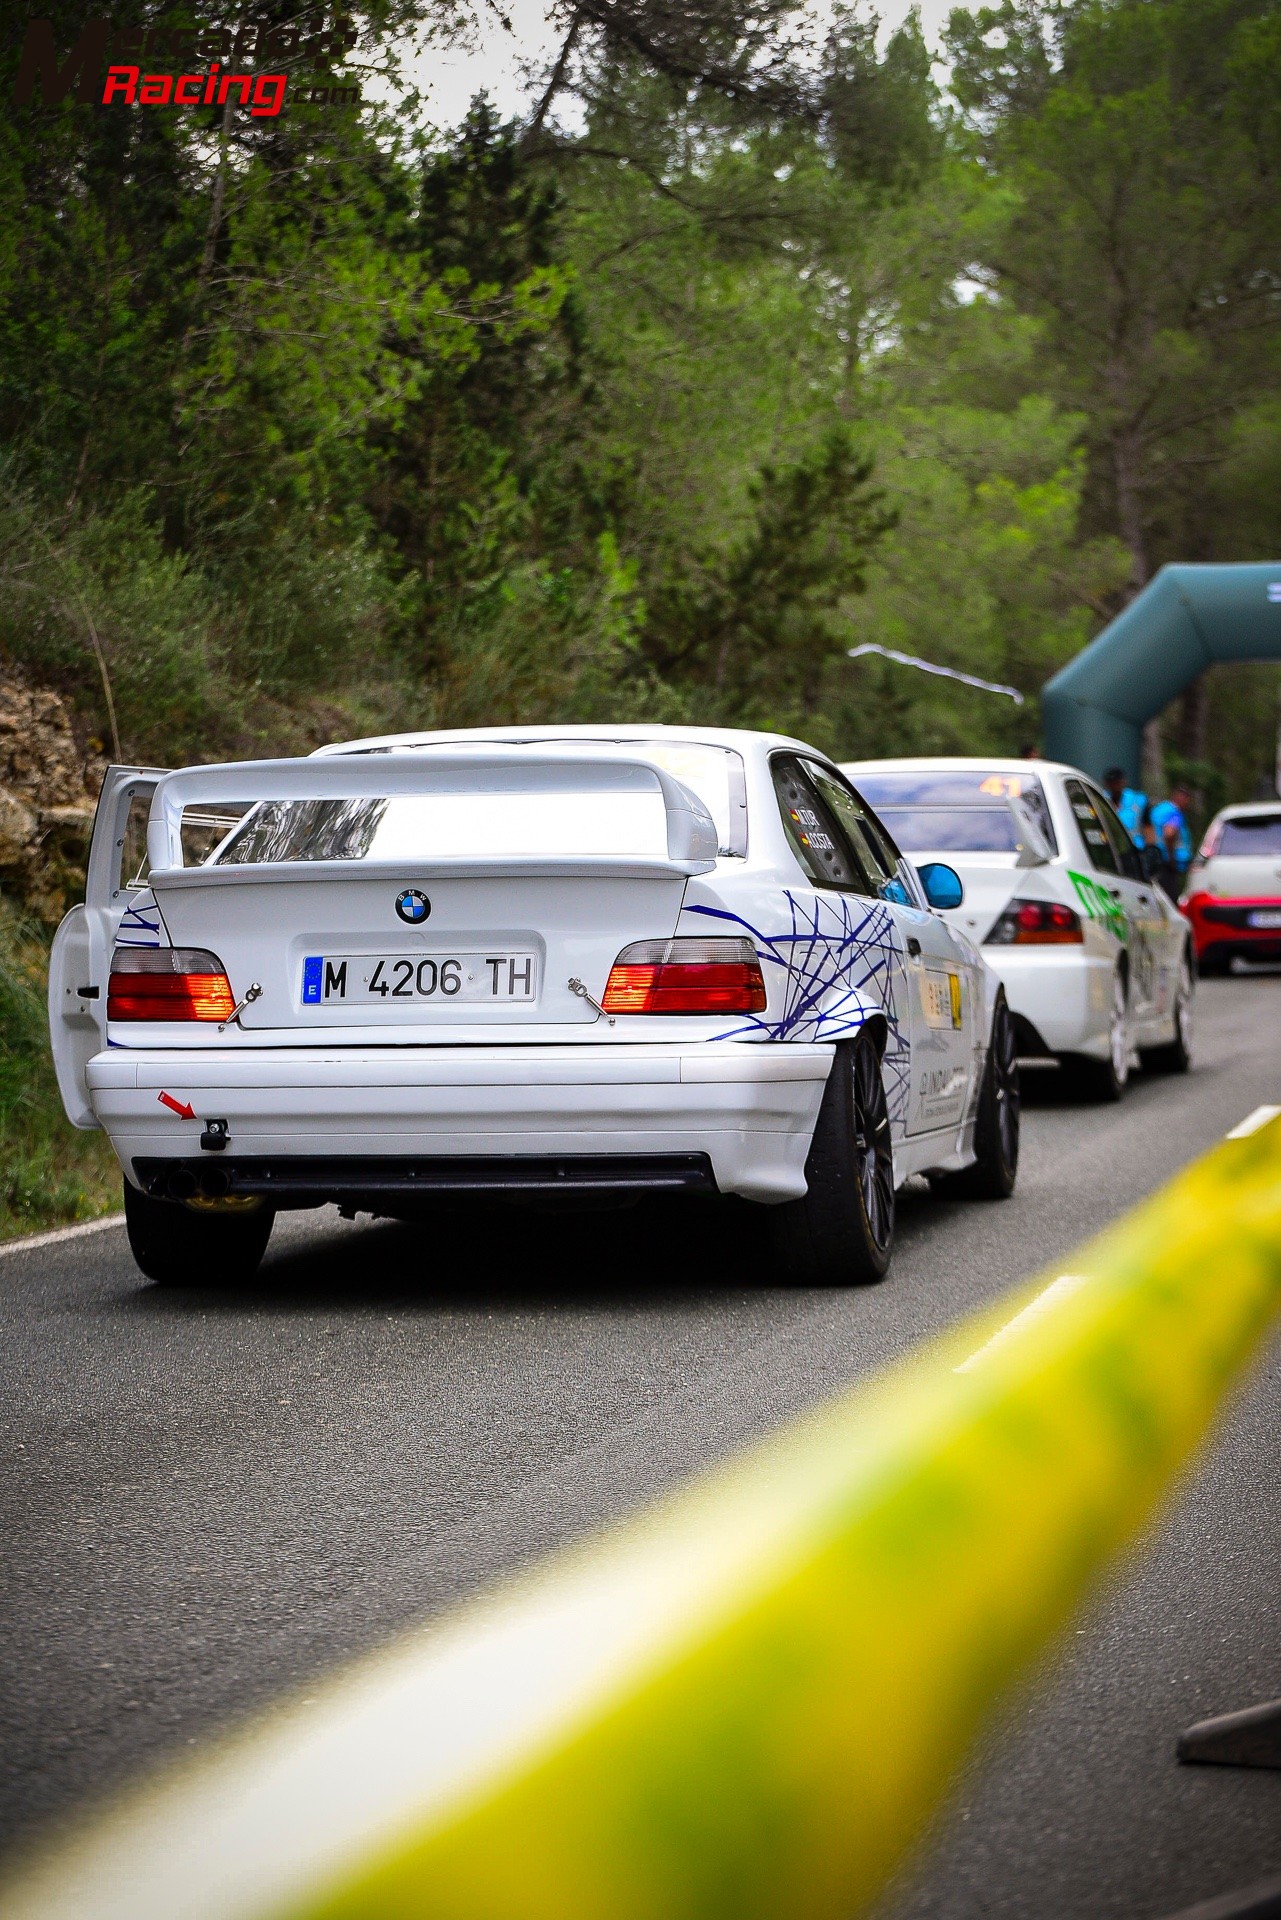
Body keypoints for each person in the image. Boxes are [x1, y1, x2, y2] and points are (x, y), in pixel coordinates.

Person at [1148, 782, 1194, 897]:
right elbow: (1169, 834)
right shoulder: (1174, 813)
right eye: (1187, 800)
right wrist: (1172, 860)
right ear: (1181, 798)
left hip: (1155, 859)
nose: (1187, 804)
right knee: (1171, 898)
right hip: (1167, 863)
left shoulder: (1160, 809)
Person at [1103, 766, 1147, 846]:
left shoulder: (1137, 799)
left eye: (1117, 782)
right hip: (1112, 847)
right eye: (1111, 782)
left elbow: (1147, 825)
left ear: (1123, 782)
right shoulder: (1102, 798)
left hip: (1135, 846)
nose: (1114, 785)